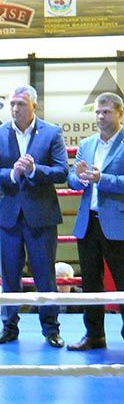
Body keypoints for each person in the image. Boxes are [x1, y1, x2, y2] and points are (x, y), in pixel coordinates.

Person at [0, 85, 67, 348]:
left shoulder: (51, 132)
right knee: (9, 275)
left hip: (41, 216)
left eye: (21, 104)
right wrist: (12, 174)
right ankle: (8, 327)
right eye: (13, 104)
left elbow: (62, 171)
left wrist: (34, 170)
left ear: (34, 106)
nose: (15, 108)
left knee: (45, 275)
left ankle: (51, 329)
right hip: (8, 216)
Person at [66, 92, 124, 350]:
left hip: (118, 223)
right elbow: (71, 178)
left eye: (106, 112)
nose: (100, 117)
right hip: (88, 222)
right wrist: (79, 178)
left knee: (123, 281)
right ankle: (94, 334)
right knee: (90, 281)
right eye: (98, 112)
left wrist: (103, 179)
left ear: (120, 114)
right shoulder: (87, 144)